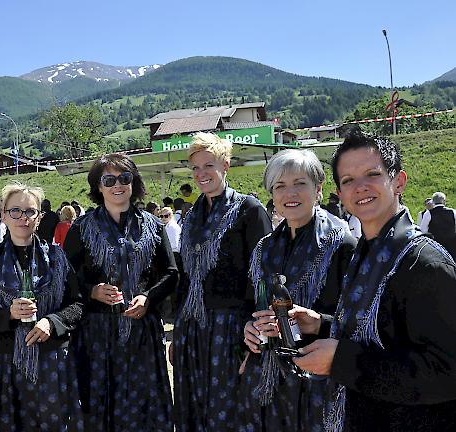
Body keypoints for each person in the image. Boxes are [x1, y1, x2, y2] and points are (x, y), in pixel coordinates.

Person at [293, 130, 456, 431]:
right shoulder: (366, 252)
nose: (360, 187)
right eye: (348, 180)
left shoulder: (425, 264)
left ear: (399, 181)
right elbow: (380, 333)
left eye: (372, 174)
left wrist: (342, 360)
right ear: (340, 194)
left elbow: (446, 372)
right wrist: (321, 325)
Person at [239, 149, 356, 431]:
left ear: (318, 188)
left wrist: (319, 324)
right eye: (280, 186)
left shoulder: (341, 244)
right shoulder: (264, 248)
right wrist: (249, 328)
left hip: (320, 379)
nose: (289, 193)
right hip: (270, 379)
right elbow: (249, 304)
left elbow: (358, 322)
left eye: (299, 183)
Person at [64, 153, 179, 431]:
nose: (118, 185)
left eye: (125, 178)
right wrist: (92, 291)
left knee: (145, 407)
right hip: (97, 333)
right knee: (100, 406)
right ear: (99, 186)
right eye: (109, 179)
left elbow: (171, 273)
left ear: (134, 182)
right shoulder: (82, 227)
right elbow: (65, 276)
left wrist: (148, 297)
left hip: (142, 332)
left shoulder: (153, 226)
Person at [171, 132, 272, 431]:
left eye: (209, 166)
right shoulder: (191, 217)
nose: (202, 174)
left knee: (229, 410)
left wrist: (252, 340)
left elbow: (262, 279)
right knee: (193, 408)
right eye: (196, 168)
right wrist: (178, 330)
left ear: (225, 165)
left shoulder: (249, 210)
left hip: (231, 329)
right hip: (193, 328)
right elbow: (186, 279)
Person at [0, 182, 84, 431]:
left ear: (39, 217)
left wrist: (52, 321)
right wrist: (8, 313)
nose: (23, 218)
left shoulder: (57, 258)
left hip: (50, 362)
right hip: (3, 365)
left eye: (30, 211)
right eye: (15, 211)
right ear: (4, 215)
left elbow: (77, 304)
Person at [420, 191, 456, 258]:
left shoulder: (428, 213)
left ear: (433, 202)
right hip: (452, 243)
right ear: (444, 201)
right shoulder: (453, 212)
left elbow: (423, 230)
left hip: (436, 245)